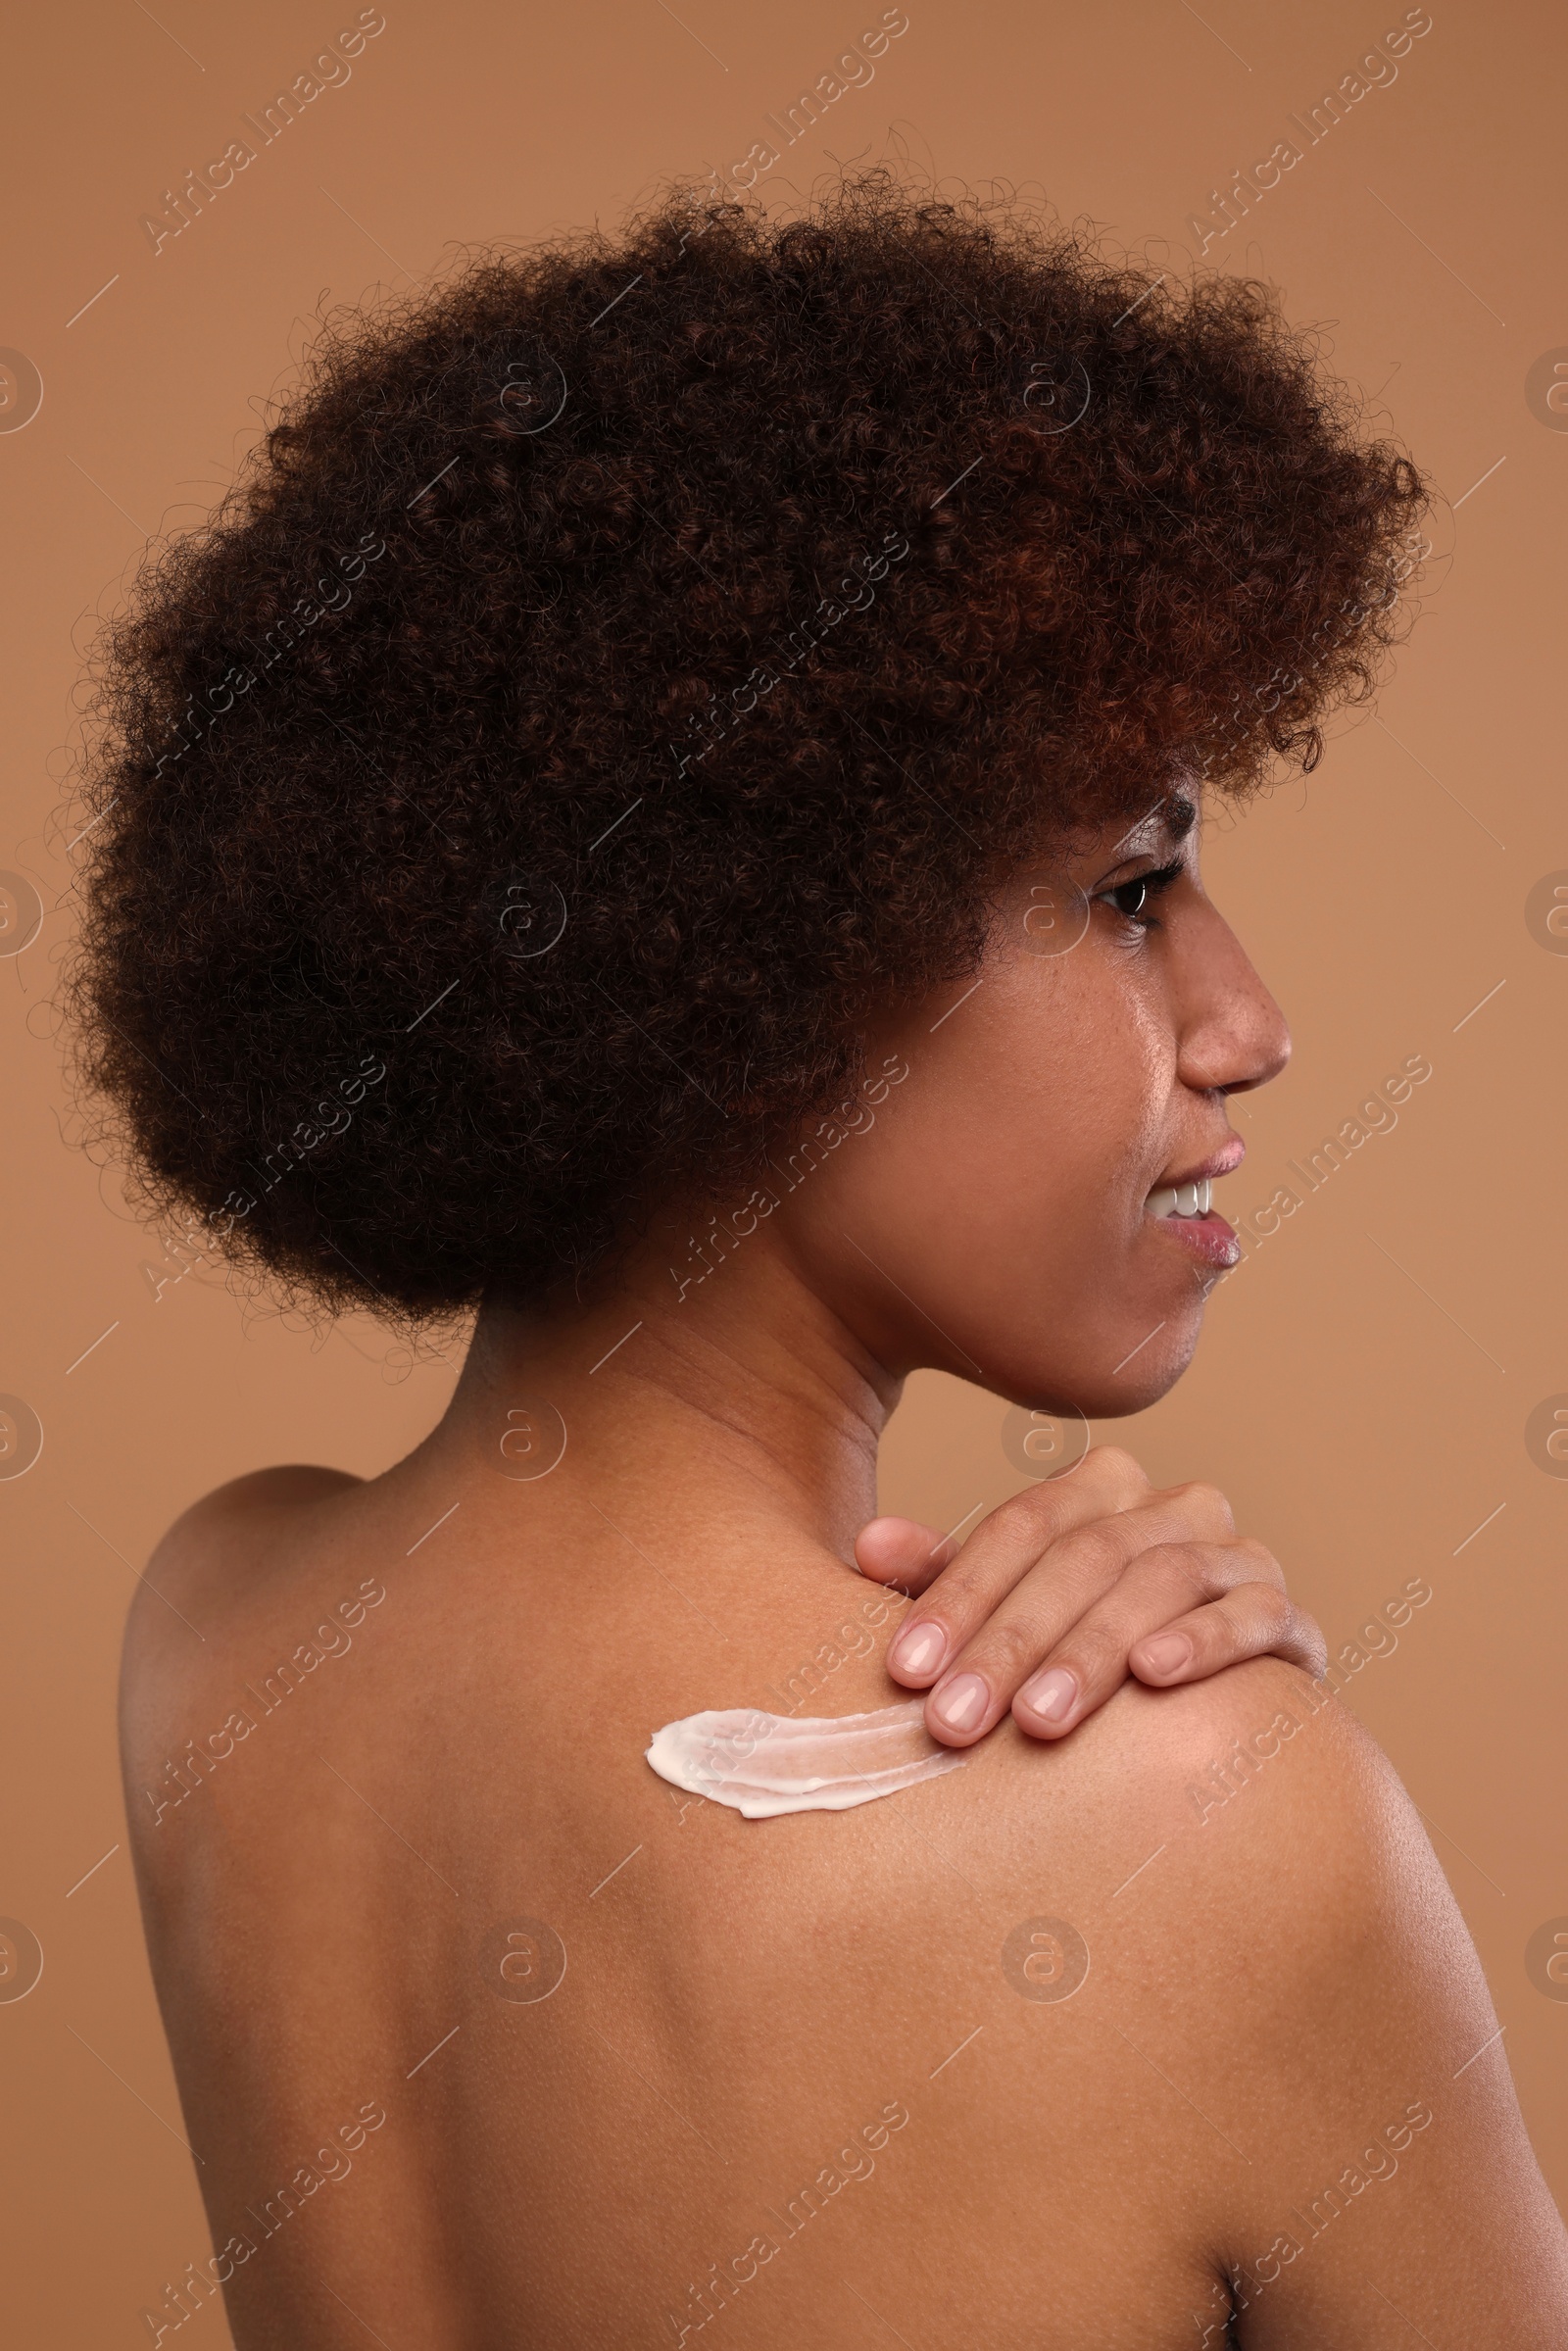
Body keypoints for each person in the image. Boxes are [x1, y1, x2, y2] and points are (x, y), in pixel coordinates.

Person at [72, 171, 1567, 2346]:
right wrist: (1227, 1791)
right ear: (755, 965)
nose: (1245, 1023)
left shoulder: (219, 1637)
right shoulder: (1203, 1842)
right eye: (1131, 892)